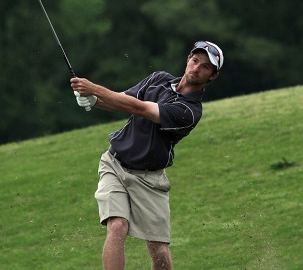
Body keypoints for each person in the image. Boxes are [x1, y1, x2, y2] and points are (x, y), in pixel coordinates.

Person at [70, 41, 224, 270]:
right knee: (117, 225)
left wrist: (94, 89)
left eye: (204, 67)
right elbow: (120, 101)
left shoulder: (189, 111)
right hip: (115, 164)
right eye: (195, 61)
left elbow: (139, 108)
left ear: (212, 76)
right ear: (188, 59)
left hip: (150, 180)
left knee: (159, 250)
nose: (196, 68)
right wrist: (93, 101)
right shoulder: (159, 78)